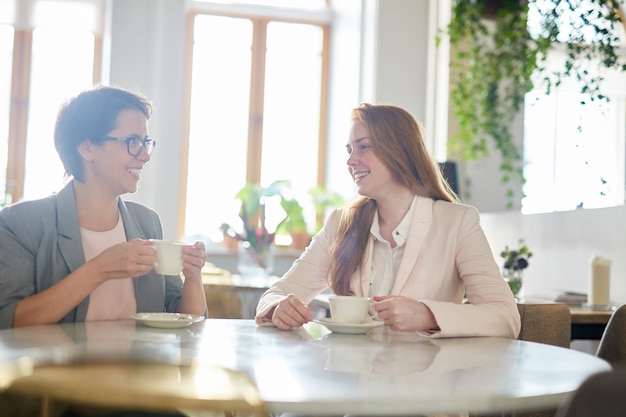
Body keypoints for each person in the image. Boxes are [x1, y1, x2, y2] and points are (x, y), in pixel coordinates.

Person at [255, 103, 521, 339]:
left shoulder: (457, 222)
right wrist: (280, 307)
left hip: (427, 384)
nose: (350, 160)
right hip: (352, 381)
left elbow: (505, 317)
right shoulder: (341, 223)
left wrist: (428, 315)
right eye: (349, 149)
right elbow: (275, 293)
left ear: (399, 151)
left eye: (363, 147)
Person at [0, 85, 207, 329]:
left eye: (145, 142)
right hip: (55, 368)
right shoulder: (21, 223)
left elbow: (184, 319)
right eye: (132, 141)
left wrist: (193, 277)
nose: (145, 156)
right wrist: (100, 268)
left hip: (141, 366)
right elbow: (8, 319)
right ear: (87, 147)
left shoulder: (147, 221)